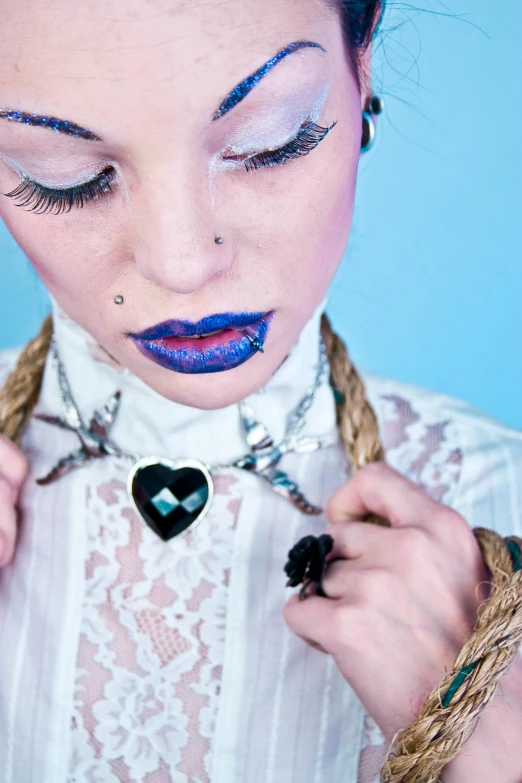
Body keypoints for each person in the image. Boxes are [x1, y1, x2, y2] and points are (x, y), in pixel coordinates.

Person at [0, 1, 521, 781]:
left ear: (360, 68)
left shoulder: (503, 502)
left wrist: (487, 739)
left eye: (271, 140)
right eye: (63, 178)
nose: (182, 264)